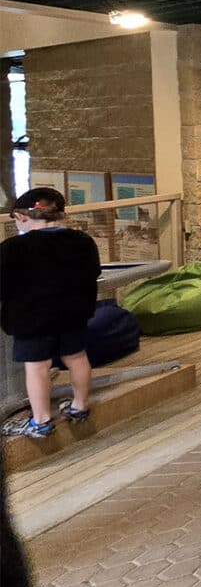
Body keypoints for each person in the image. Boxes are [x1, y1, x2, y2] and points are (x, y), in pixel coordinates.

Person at [0, 188, 102, 440]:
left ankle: (41, 421)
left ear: (22, 217)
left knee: (37, 366)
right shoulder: (83, 241)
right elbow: (93, 273)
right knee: (77, 357)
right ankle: (79, 406)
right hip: (74, 313)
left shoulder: (13, 247)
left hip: (30, 319)